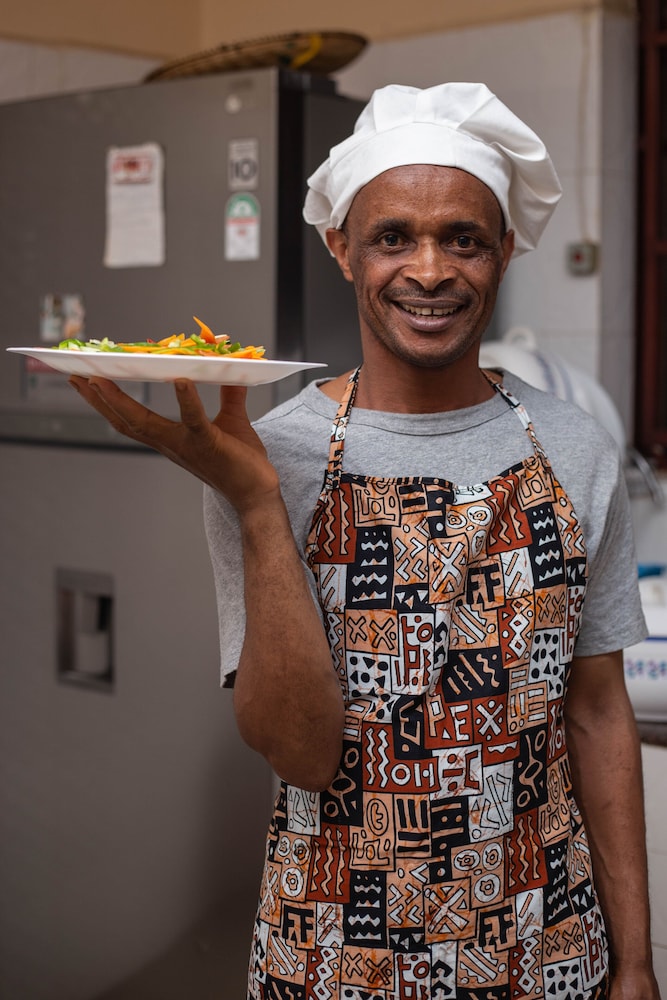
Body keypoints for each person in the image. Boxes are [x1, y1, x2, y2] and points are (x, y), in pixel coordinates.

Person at [69, 82, 660, 1000]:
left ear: (503, 249)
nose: (430, 270)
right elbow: (299, 752)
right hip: (336, 948)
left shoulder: (574, 446)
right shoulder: (268, 457)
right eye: (393, 236)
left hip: (544, 945)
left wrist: (634, 963)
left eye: (462, 237)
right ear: (341, 248)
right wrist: (260, 508)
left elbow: (595, 710)